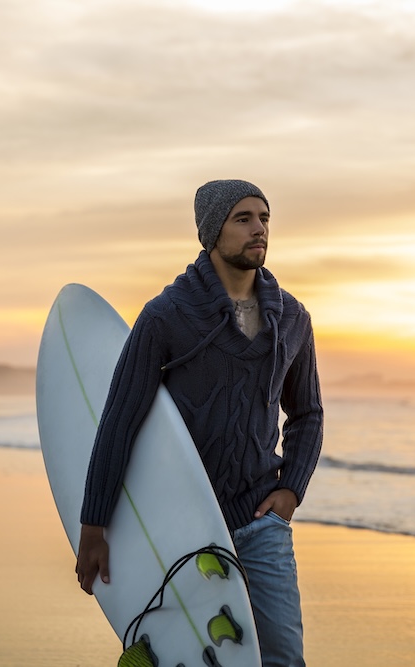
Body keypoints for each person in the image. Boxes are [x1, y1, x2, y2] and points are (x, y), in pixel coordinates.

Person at [76, 179, 324, 667]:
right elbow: (119, 421)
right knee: (194, 656)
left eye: (265, 218)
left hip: (259, 522)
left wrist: (291, 490)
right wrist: (93, 525)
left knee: (283, 657)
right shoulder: (167, 317)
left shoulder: (292, 318)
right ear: (213, 232)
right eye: (244, 218)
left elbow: (308, 414)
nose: (260, 229)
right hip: (183, 521)